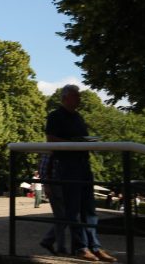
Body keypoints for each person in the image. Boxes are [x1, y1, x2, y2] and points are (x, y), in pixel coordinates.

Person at [46, 84, 116, 262]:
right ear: (65, 98)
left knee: (89, 209)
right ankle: (81, 247)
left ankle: (95, 246)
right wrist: (73, 144)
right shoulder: (55, 116)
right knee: (74, 208)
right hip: (68, 166)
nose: (79, 99)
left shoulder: (78, 117)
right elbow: (51, 139)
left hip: (83, 164)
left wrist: (86, 142)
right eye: (76, 96)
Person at [38, 152, 68, 256]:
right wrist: (47, 185)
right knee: (62, 217)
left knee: (64, 217)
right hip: (55, 185)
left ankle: (50, 241)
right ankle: (59, 247)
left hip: (60, 185)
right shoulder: (51, 149)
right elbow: (43, 168)